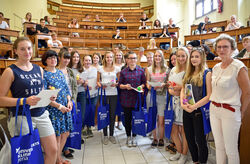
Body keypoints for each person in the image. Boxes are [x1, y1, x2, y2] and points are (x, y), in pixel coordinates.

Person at [0, 37, 57, 164]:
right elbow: (1, 100)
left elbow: (40, 92)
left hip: (41, 114)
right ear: (15, 51)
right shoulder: (10, 71)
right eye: (22, 49)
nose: (27, 52)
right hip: (21, 117)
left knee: (53, 150)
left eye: (29, 48)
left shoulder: (39, 69)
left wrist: (48, 97)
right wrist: (24, 101)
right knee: (27, 157)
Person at [210, 34, 250, 164]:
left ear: (232, 48)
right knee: (219, 147)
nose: (222, 50)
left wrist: (241, 111)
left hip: (230, 111)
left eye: (225, 47)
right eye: (219, 47)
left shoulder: (238, 67)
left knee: (231, 150)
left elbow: (247, 92)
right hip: (214, 110)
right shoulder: (215, 68)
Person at [181, 48, 212, 164]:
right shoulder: (188, 73)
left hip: (199, 112)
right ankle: (195, 161)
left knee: (200, 141)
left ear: (202, 58)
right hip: (187, 110)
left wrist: (194, 107)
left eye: (197, 56)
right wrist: (183, 104)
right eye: (192, 56)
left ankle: (203, 161)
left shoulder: (207, 73)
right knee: (189, 139)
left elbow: (209, 96)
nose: (194, 59)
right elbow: (184, 90)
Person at [42, 50, 73, 164]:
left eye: (54, 57)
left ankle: (58, 158)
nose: (53, 60)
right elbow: (44, 96)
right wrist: (59, 106)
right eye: (50, 58)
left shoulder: (59, 72)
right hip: (54, 109)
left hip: (65, 107)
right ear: (45, 60)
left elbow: (66, 89)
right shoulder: (44, 74)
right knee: (58, 136)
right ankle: (57, 160)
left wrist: (69, 101)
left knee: (66, 133)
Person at [119, 51, 146, 147]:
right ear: (127, 60)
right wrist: (125, 86)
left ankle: (134, 136)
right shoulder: (123, 72)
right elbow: (119, 85)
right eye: (130, 58)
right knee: (127, 119)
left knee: (135, 118)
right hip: (126, 99)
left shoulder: (141, 70)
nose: (132, 60)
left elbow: (144, 83)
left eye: (134, 58)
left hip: (137, 99)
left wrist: (140, 87)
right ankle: (128, 136)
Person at [168, 47, 189, 163]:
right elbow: (170, 87)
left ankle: (184, 155)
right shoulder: (173, 70)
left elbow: (191, 88)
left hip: (185, 102)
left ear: (187, 56)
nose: (180, 58)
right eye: (178, 56)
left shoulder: (190, 70)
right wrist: (173, 90)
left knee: (184, 130)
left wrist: (180, 89)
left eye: (183, 56)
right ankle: (179, 151)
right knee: (173, 130)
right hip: (173, 102)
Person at [146, 50, 168, 148]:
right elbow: (147, 82)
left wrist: (163, 84)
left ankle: (161, 138)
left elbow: (168, 83)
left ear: (162, 57)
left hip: (162, 95)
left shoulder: (167, 69)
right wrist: (151, 87)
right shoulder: (149, 69)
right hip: (152, 95)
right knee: (153, 117)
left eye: (159, 56)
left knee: (161, 119)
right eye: (155, 56)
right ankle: (155, 138)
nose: (157, 58)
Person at [97, 51, 120, 145]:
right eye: (107, 57)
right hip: (103, 94)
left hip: (114, 94)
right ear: (104, 58)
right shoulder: (100, 68)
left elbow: (119, 81)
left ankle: (111, 134)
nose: (109, 59)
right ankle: (105, 135)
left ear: (113, 58)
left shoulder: (117, 68)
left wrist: (116, 84)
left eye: (110, 57)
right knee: (104, 114)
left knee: (112, 114)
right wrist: (101, 85)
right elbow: (98, 81)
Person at [58, 50, 78, 159]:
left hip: (71, 101)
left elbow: (74, 86)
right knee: (63, 128)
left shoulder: (70, 71)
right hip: (60, 103)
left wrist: (73, 100)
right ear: (60, 58)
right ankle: (64, 150)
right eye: (64, 58)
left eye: (68, 58)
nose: (66, 60)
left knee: (69, 127)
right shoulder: (56, 71)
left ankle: (65, 146)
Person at [68, 50, 86, 143]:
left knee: (81, 116)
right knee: (72, 115)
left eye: (77, 57)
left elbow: (85, 81)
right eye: (74, 57)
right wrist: (76, 81)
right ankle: (72, 135)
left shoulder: (81, 69)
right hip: (71, 95)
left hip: (81, 93)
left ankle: (79, 135)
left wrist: (83, 82)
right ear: (71, 58)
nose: (76, 59)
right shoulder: (68, 68)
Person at [82, 55, 99, 138]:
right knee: (84, 111)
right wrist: (84, 86)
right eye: (86, 60)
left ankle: (89, 128)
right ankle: (83, 128)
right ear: (83, 61)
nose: (88, 62)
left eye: (89, 60)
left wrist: (97, 84)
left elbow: (99, 79)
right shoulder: (81, 70)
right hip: (84, 94)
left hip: (94, 94)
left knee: (92, 110)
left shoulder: (95, 70)